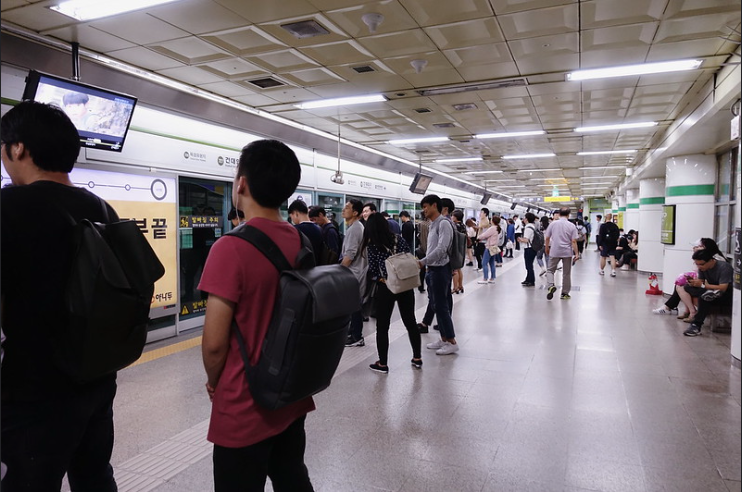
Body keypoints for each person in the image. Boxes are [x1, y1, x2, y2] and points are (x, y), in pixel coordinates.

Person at [1, 101, 121, 491]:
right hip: (97, 379)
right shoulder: (103, 209)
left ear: (18, 148)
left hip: (33, 388)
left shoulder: (8, 207)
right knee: (95, 478)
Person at [198, 139, 315, 492]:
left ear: (241, 184)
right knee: (292, 477)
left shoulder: (230, 247)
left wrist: (214, 381)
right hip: (289, 396)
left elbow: (215, 344)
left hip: (244, 404)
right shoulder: (300, 241)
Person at [363, 213, 423, 373]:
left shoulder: (373, 245)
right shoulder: (399, 239)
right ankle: (417, 357)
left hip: (386, 288)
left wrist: (381, 278)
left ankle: (383, 363)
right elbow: (408, 257)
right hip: (406, 285)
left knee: (383, 326)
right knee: (410, 322)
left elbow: (375, 271)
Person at [418, 194, 459, 355]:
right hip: (432, 269)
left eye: (425, 207)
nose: (424, 210)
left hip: (441, 270)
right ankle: (443, 338)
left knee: (441, 307)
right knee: (436, 304)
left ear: (435, 205)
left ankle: (452, 341)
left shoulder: (443, 224)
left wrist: (423, 261)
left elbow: (442, 248)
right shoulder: (433, 224)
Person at [653, 238, 723, 316]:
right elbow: (701, 277)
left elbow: (712, 281)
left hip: (714, 290)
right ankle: (680, 309)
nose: (695, 248)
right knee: (681, 283)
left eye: (698, 246)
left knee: (681, 286)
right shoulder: (706, 258)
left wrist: (698, 282)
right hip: (707, 286)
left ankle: (688, 311)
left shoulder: (714, 260)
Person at [681, 248, 734, 337]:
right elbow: (701, 281)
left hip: (726, 294)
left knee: (705, 297)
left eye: (701, 264)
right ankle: (710, 294)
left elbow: (723, 288)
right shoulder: (702, 269)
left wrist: (702, 286)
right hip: (712, 290)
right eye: (697, 264)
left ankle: (696, 325)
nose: (699, 267)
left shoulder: (724, 267)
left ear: (711, 261)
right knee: (687, 287)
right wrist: (694, 283)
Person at [341, 199, 368, 347]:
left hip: (354, 273)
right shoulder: (355, 227)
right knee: (354, 305)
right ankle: (353, 334)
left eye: (347, 208)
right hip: (356, 272)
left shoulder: (355, 228)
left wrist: (339, 271)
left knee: (354, 306)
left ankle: (356, 336)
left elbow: (350, 255)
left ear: (355, 212)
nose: (343, 210)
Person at [544, 208, 579, 300]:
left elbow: (547, 238)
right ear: (569, 215)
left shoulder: (553, 224)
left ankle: (551, 285)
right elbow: (574, 241)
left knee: (550, 270)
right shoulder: (571, 225)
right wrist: (576, 253)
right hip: (567, 252)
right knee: (566, 273)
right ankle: (564, 293)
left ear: (559, 214)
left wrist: (546, 248)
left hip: (555, 250)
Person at [288, 199, 324, 265]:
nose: (292, 220)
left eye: (291, 217)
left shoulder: (295, 230)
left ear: (296, 213)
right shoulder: (319, 229)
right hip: (317, 269)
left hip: (301, 270)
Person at [476, 212, 499, 284]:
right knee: (492, 263)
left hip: (489, 247)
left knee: (484, 263)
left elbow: (485, 235)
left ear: (492, 221)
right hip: (495, 247)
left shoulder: (492, 228)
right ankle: (492, 278)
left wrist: (478, 237)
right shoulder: (498, 228)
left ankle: (485, 278)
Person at [518, 212, 539, 286]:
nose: (523, 219)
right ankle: (528, 279)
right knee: (529, 265)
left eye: (524, 217)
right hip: (532, 248)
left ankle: (531, 280)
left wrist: (520, 239)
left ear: (527, 219)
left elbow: (526, 240)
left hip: (529, 248)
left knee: (528, 265)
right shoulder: (532, 226)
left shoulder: (528, 228)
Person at [451, 209, 466, 294]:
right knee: (459, 268)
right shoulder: (463, 225)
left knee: (455, 269)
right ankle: (460, 285)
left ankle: (455, 287)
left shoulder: (455, 226)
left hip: (456, 248)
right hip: (462, 248)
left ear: (456, 217)